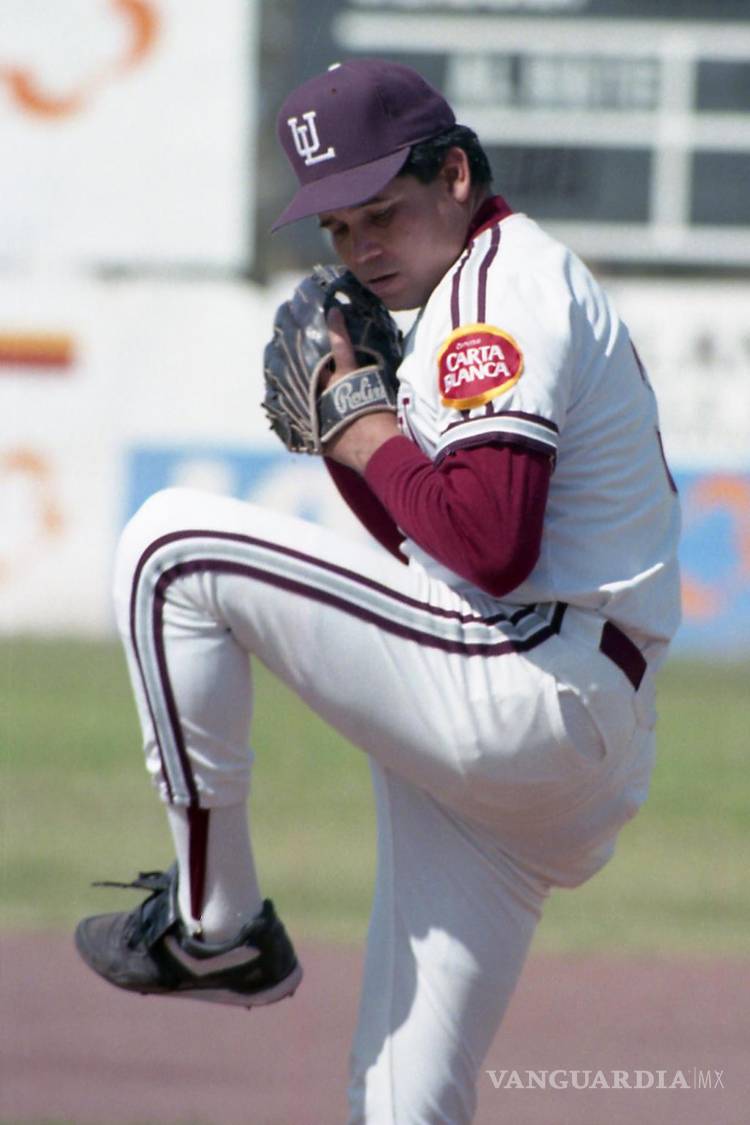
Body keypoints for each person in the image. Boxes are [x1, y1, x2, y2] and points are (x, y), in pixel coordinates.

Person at [75, 58, 681, 1123]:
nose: (362, 249)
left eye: (382, 213)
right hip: (537, 721)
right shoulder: (461, 298)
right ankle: (223, 933)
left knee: (170, 546)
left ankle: (214, 928)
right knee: (401, 1103)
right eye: (340, 230)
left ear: (454, 174)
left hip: (531, 682)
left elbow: (490, 545)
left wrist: (361, 432)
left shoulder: (502, 290)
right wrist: (354, 450)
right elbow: (435, 550)